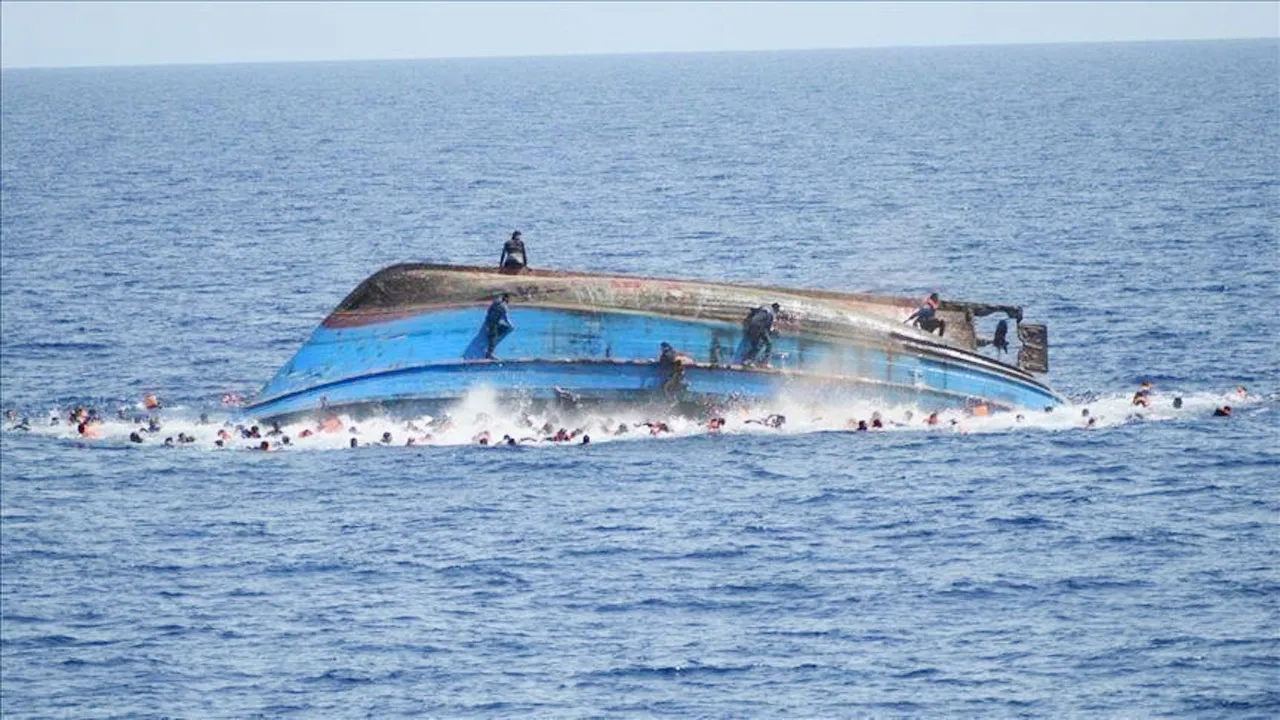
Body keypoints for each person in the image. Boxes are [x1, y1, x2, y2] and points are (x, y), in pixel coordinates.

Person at [483, 293, 514, 359]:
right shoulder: (504, 306)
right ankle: (489, 354)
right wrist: (511, 325)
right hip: (493, 324)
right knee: (493, 338)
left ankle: (493, 336)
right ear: (506, 299)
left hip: (489, 321)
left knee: (503, 329)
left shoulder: (495, 303)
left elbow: (488, 311)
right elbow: (506, 318)